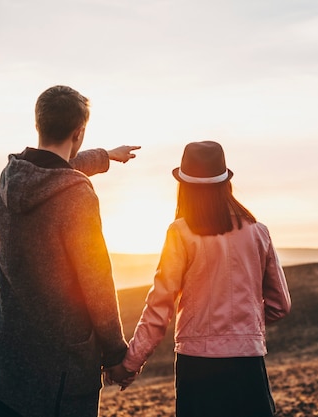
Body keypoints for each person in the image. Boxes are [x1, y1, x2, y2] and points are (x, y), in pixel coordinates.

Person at [0, 85, 139, 417]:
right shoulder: (77, 195)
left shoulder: (10, 177)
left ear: (39, 124)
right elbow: (96, 281)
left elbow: (56, 169)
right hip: (60, 378)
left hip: (6, 369)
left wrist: (106, 156)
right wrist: (115, 355)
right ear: (79, 132)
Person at [109, 140, 291, 417]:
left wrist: (130, 364)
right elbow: (280, 305)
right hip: (248, 364)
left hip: (198, 367)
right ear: (225, 183)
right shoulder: (258, 231)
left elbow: (160, 307)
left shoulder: (180, 233)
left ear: (185, 186)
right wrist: (241, 325)